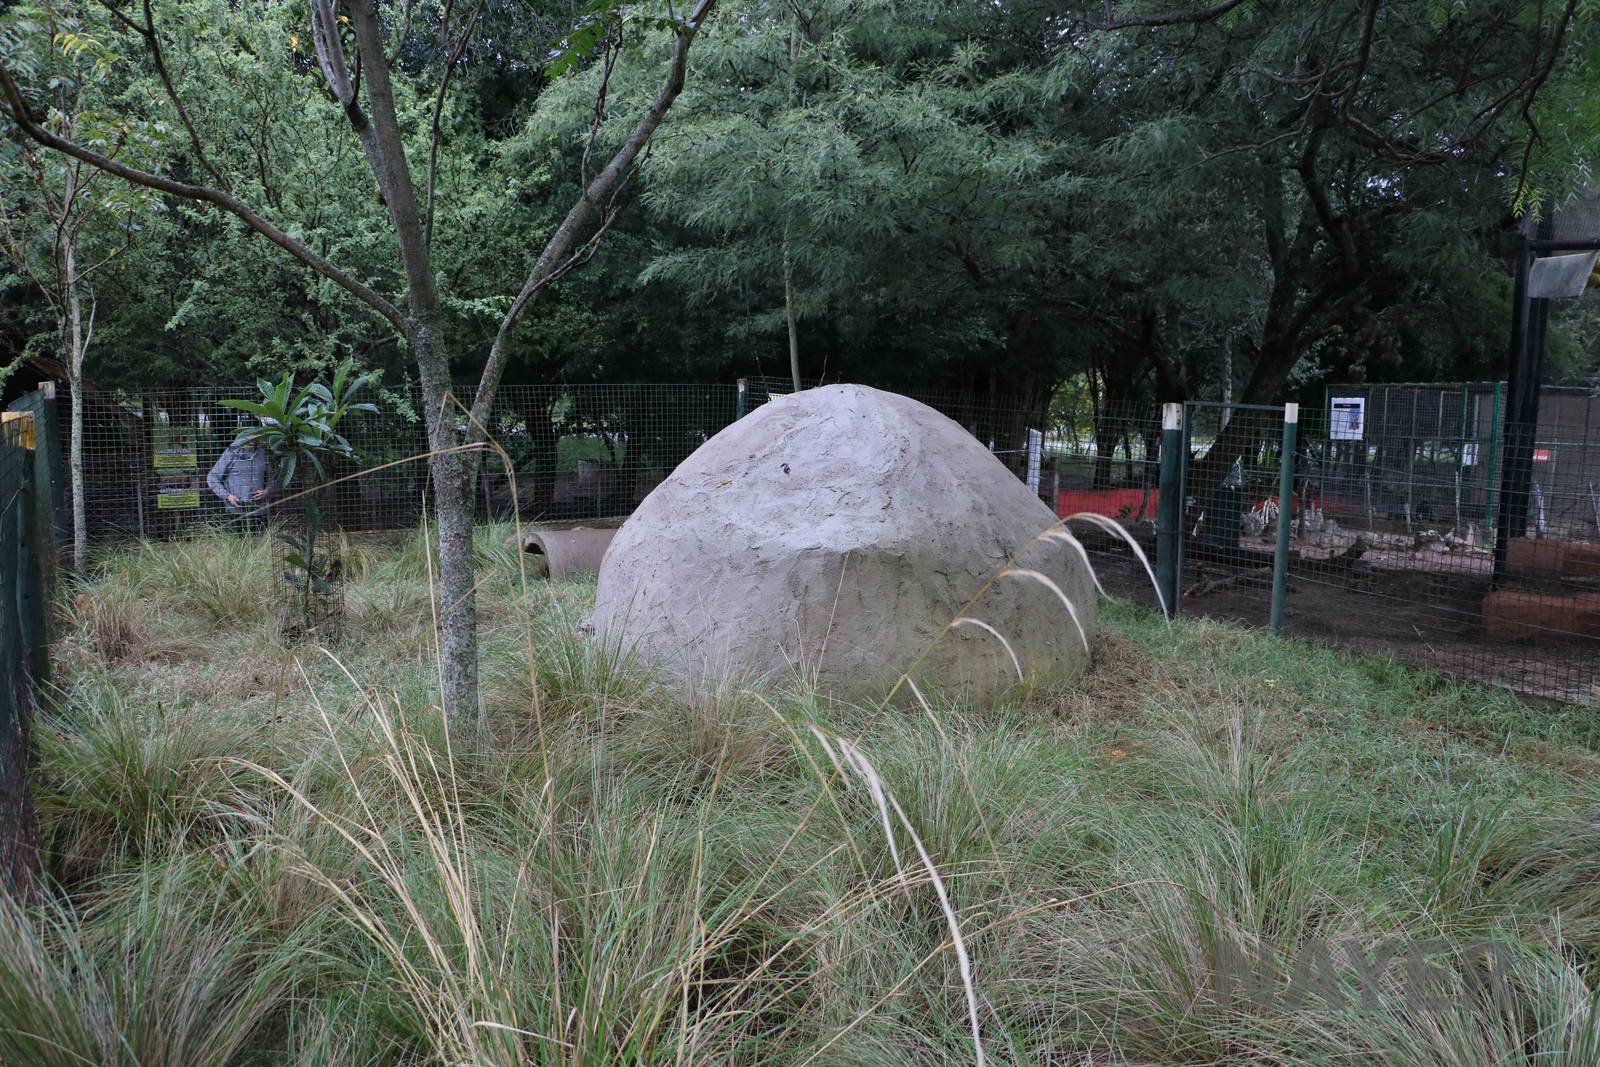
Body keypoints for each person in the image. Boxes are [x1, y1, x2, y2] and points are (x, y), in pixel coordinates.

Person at [207, 429, 278, 521]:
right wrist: (227, 496)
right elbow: (212, 477)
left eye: (254, 439)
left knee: (260, 535)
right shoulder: (230, 453)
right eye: (247, 440)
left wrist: (267, 491)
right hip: (235, 511)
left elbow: (272, 478)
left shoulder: (263, 453)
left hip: (259, 510)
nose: (250, 442)